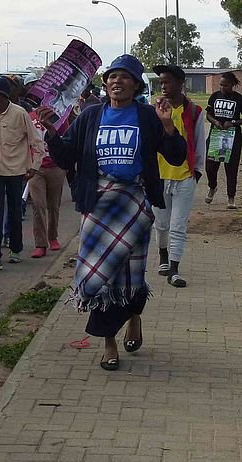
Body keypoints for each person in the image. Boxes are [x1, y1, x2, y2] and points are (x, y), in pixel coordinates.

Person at [37, 54, 186, 371]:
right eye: (112, 76)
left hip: (134, 202)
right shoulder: (91, 116)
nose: (117, 81)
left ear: (135, 84)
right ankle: (108, 340)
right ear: (104, 84)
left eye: (125, 77)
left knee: (130, 274)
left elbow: (175, 157)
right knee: (97, 279)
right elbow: (66, 156)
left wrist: (168, 124)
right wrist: (51, 131)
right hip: (98, 203)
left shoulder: (147, 116)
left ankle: (131, 319)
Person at [151, 64, 205, 288]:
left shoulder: (193, 112)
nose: (163, 86)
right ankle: (163, 255)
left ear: (180, 84)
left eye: (168, 82)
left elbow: (200, 141)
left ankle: (174, 267)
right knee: (161, 224)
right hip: (159, 176)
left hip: (184, 176)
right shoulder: (153, 109)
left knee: (178, 225)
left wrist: (197, 171)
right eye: (161, 82)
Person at [0, 78, 45, 270]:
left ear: (2, 95)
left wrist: (34, 166)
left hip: (16, 171)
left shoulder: (20, 114)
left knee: (15, 212)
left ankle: (16, 249)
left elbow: (37, 142)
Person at [27, 104, 70, 259]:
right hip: (35, 167)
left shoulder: (60, 116)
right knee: (38, 205)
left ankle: (53, 237)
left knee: (53, 205)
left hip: (56, 166)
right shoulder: (28, 117)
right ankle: (40, 244)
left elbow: (67, 139)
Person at [205, 71, 242, 209]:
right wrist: (215, 121)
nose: (222, 88)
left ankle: (231, 198)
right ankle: (212, 187)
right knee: (210, 166)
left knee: (231, 168)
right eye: (220, 85)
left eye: (225, 85)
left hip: (233, 137)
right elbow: (208, 114)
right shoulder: (214, 97)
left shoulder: (239, 99)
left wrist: (233, 123)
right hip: (216, 135)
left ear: (232, 85)